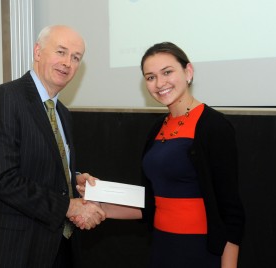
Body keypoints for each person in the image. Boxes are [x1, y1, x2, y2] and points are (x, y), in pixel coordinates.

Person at [75, 42, 245, 268]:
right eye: (150, 77)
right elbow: (150, 203)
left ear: (188, 72)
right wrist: (98, 202)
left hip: (201, 252)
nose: (159, 83)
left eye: (167, 72)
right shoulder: (157, 128)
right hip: (163, 248)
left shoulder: (213, 126)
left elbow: (231, 211)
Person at [0, 25, 106, 268]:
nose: (67, 63)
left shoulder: (62, 113)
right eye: (61, 52)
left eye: (76, 58)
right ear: (38, 51)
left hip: (56, 244)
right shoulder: (4, 98)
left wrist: (73, 180)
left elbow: (38, 165)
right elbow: (2, 178)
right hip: (11, 247)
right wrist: (68, 206)